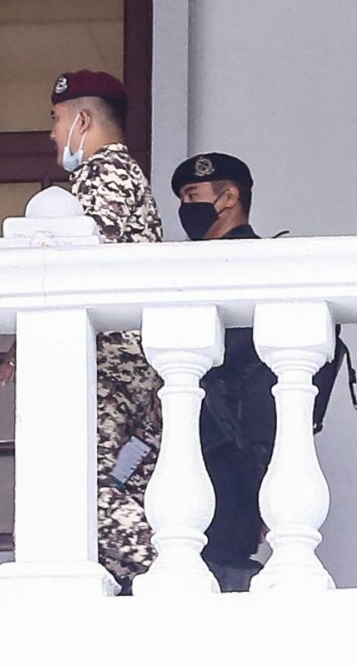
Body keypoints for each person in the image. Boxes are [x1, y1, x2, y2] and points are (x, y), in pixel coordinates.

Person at [0, 70, 164, 594]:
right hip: (131, 364)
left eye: (57, 119)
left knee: (81, 489)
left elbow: (77, 273)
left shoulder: (105, 174)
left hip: (110, 363)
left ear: (83, 119)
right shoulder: (121, 173)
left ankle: (168, 580)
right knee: (120, 485)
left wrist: (28, 345)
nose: (52, 134)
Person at [172, 152, 349, 591]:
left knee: (221, 563)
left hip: (235, 449)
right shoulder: (190, 266)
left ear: (228, 196)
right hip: (199, 443)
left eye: (193, 195)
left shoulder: (261, 265)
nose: (185, 208)